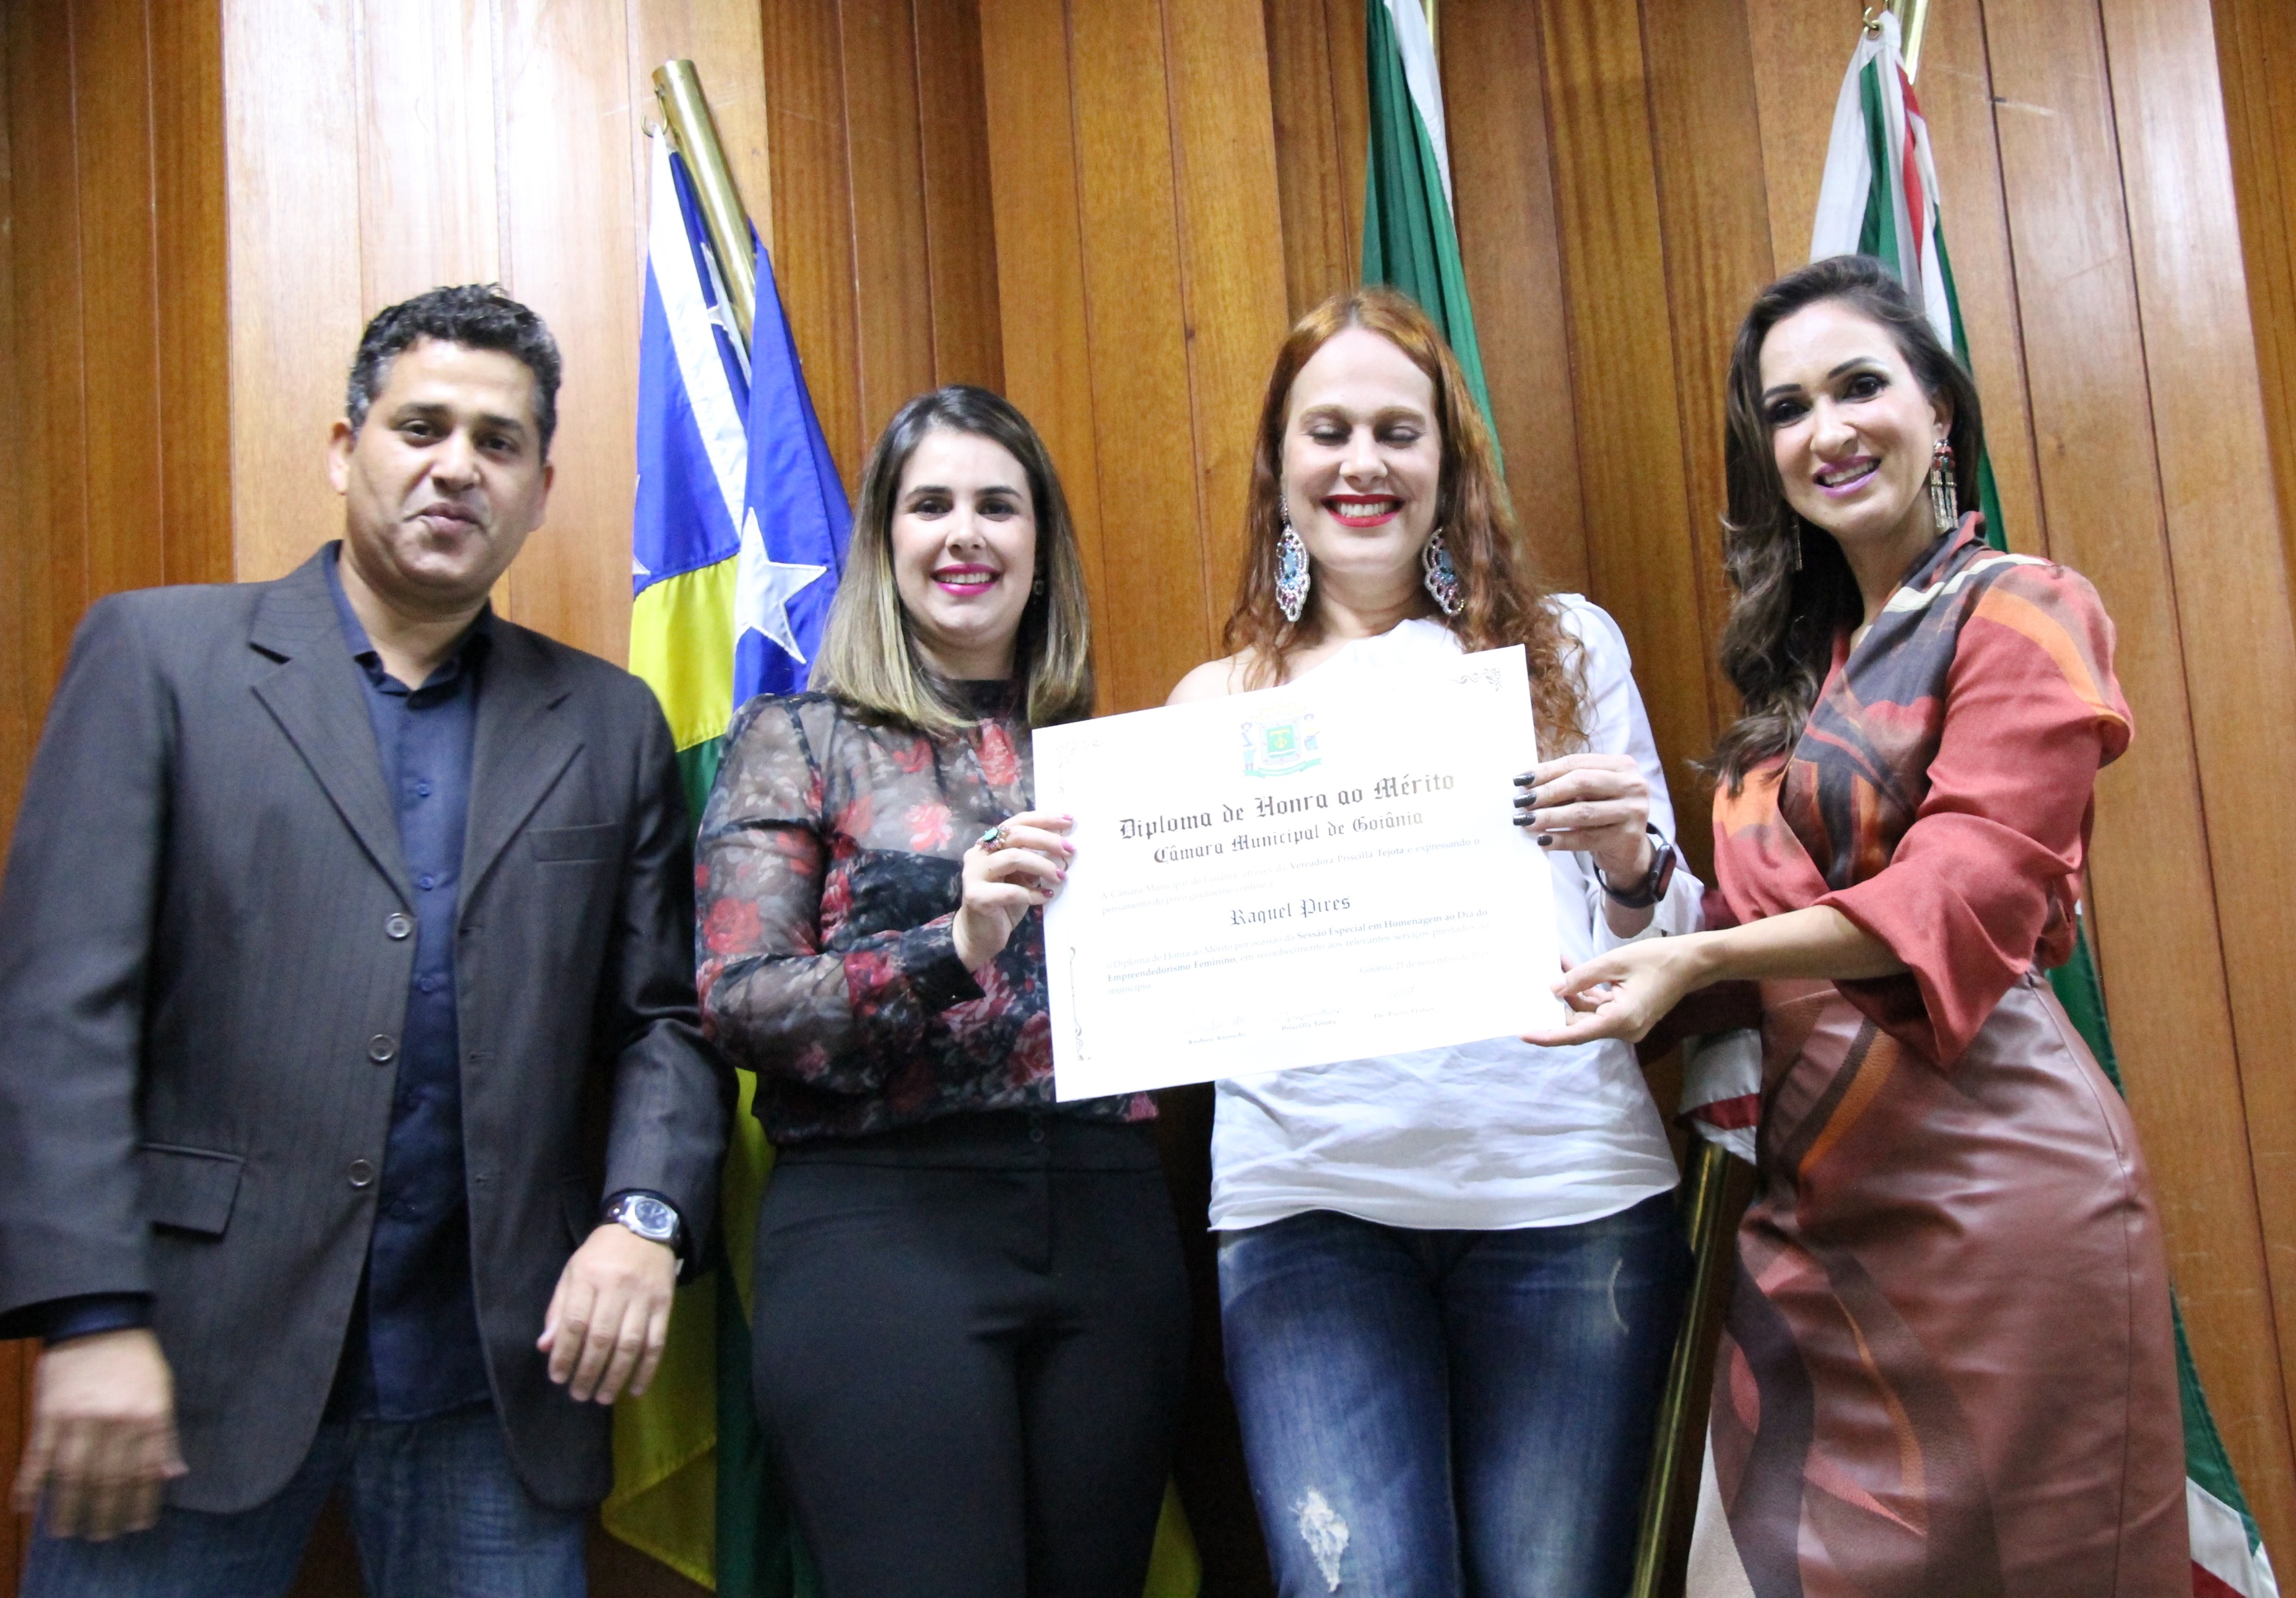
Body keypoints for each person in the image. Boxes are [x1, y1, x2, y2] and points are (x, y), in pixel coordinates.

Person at [0, 284, 731, 1597]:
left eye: (498, 443)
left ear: (540, 490)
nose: (457, 466)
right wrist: (90, 1309)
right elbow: (60, 1010)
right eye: (421, 427)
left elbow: (661, 1022)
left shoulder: (606, 720)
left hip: (494, 1378)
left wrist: (644, 1219)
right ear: (347, 449)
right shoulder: (162, 658)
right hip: (183, 1364)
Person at [1539, 254, 2186, 1597]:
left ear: (1937, 410)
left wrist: (1697, 953)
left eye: (1857, 387)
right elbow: (1726, 963)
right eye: (1787, 409)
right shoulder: (1801, 681)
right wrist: (1628, 885)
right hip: (1812, 1234)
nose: (1825, 430)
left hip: (1999, 1212)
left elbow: (1963, 892)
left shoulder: (2025, 606)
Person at [1168, 287, 1700, 1598]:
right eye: (1329, 430)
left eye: (1398, 432)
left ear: (1449, 463)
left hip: (1565, 1205)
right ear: (1278, 466)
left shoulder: (1567, 648)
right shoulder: (1212, 706)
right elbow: (1186, 991)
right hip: (1309, 1214)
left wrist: (1629, 860)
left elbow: (1672, 938)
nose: (1363, 463)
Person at [697, 384, 1188, 1598]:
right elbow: (739, 1000)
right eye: (931, 505)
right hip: (880, 1231)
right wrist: (947, 945)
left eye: (998, 506)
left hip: (1111, 1220)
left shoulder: (1117, 757)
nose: (965, 533)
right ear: (885, 541)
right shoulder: (796, 737)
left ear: (1042, 546)